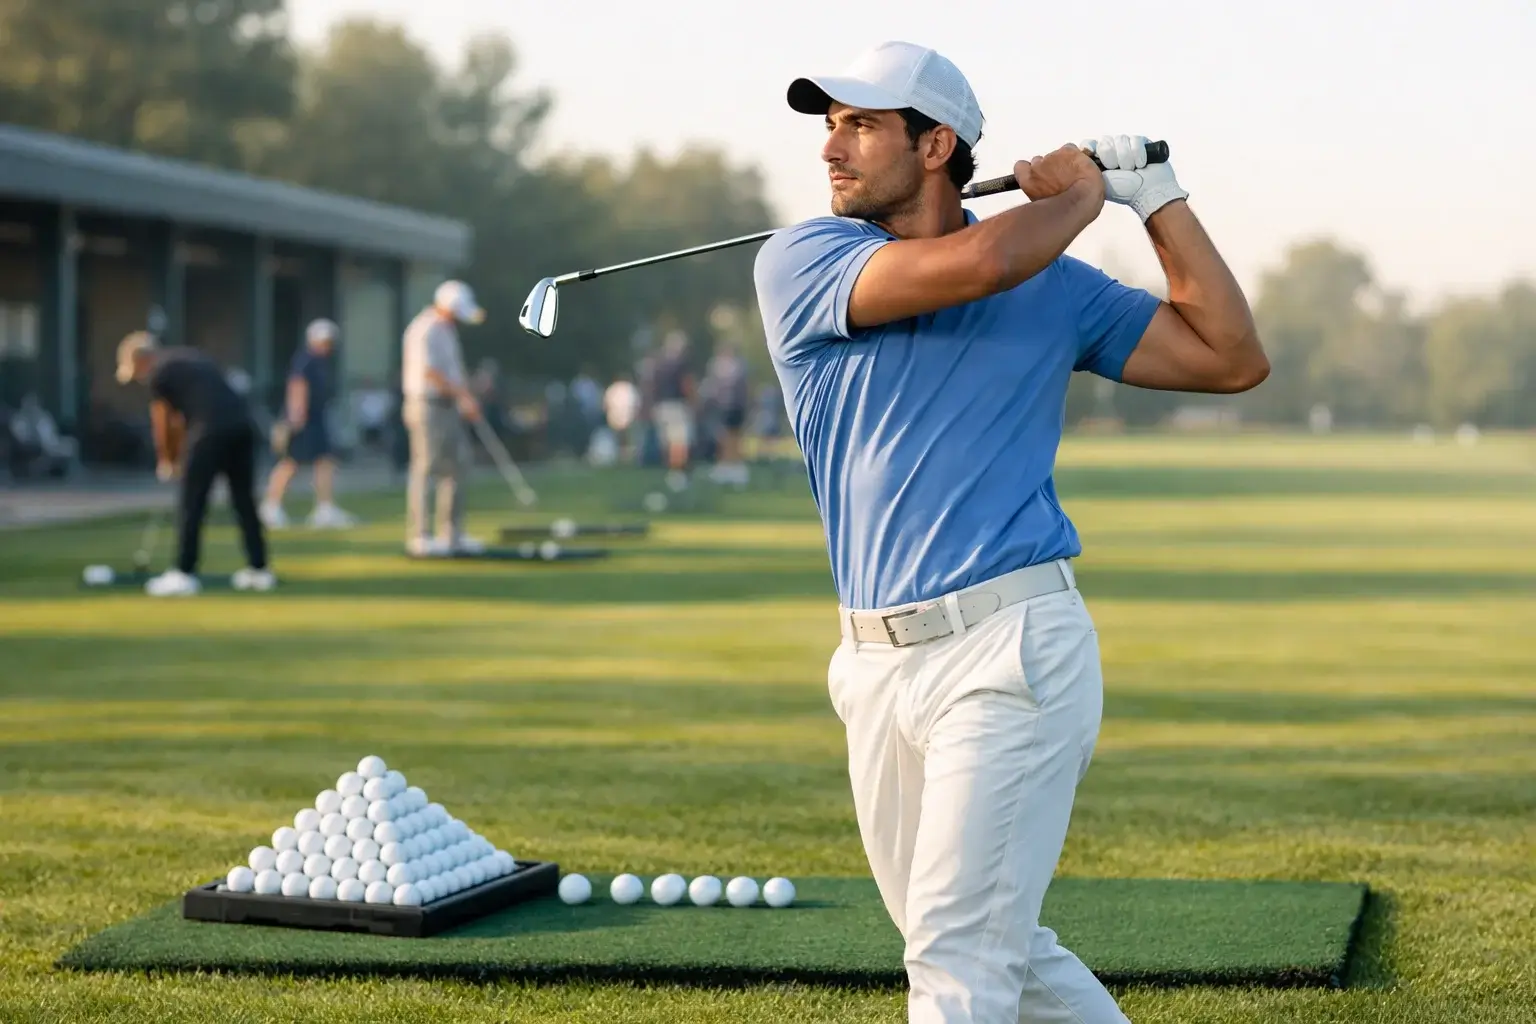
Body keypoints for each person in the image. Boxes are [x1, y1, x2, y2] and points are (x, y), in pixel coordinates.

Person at [753, 41, 1269, 1024]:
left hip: (1011, 651)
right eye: (829, 125)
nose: (833, 148)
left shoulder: (1055, 287)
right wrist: (1081, 195)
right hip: (873, 667)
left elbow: (1231, 357)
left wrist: (1155, 197)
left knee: (957, 964)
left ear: (936, 142)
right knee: (999, 950)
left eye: (860, 124)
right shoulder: (804, 260)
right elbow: (985, 258)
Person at [114, 332, 275, 596]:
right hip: (243, 428)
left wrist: (167, 459)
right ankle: (259, 569)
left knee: (192, 502)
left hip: (209, 431)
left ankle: (183, 572)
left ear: (142, 360)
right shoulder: (190, 358)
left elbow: (165, 421)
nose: (140, 379)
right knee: (244, 500)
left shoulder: (160, 373)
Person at [400, 280, 487, 556]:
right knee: (427, 467)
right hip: (427, 404)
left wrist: (465, 395)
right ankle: (420, 537)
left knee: (458, 465)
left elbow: (451, 372)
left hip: (448, 405)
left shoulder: (447, 330)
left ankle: (452, 535)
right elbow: (430, 373)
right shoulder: (424, 329)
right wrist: (463, 396)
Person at [260, 318, 358, 530]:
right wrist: (296, 417)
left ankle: (325, 508)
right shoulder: (305, 360)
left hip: (316, 418)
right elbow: (297, 386)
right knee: (290, 462)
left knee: (324, 461)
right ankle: (270, 507)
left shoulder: (320, 362)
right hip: (303, 420)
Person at [649, 330, 696, 490]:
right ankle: (678, 476)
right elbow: (686, 384)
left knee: (668, 443)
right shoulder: (681, 363)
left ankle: (671, 473)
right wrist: (694, 402)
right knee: (680, 442)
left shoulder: (658, 363)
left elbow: (651, 385)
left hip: (661, 405)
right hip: (677, 404)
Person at [702, 340, 751, 487]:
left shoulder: (734, 366)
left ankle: (733, 466)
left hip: (732, 405)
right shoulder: (730, 365)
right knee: (726, 437)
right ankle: (727, 465)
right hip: (724, 406)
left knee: (732, 436)